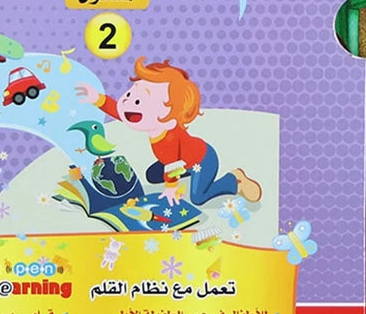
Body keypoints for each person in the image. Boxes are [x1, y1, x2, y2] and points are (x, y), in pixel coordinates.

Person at [76, 57, 261, 206]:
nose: (128, 102)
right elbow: (121, 113)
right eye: (131, 94)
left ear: (170, 115)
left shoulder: (170, 137)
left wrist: (171, 187)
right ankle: (188, 173)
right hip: (181, 161)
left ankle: (234, 180)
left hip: (203, 161)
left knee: (198, 198)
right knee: (152, 176)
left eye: (139, 102)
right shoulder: (157, 124)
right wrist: (97, 98)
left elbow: (172, 165)